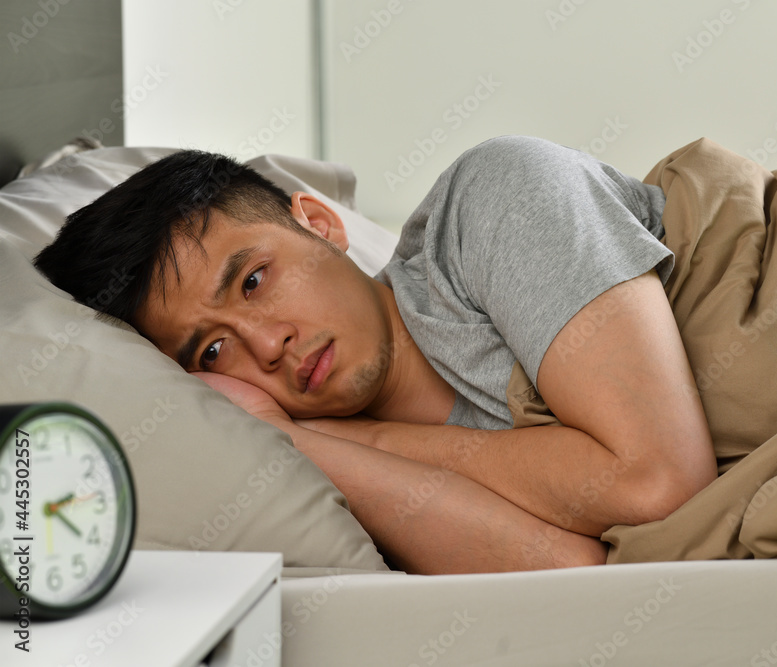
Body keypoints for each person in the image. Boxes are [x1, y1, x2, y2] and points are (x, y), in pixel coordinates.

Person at [34, 136, 717, 574]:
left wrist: (343, 435)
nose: (268, 345)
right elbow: (572, 578)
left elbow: (657, 483)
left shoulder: (494, 198)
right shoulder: (343, 488)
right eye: (214, 349)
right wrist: (297, 444)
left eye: (254, 280)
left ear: (322, 226)